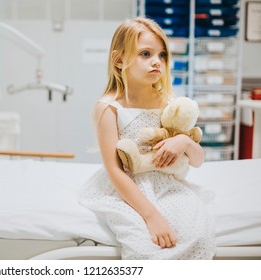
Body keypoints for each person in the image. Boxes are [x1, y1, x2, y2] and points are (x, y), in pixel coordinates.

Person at [79, 17, 215, 259]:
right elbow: (114, 170)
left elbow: (198, 160)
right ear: (119, 60)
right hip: (125, 188)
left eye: (162, 55)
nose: (157, 62)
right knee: (144, 246)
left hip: (167, 185)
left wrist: (184, 142)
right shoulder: (109, 107)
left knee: (197, 233)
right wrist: (151, 216)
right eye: (145, 54)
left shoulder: (169, 103)